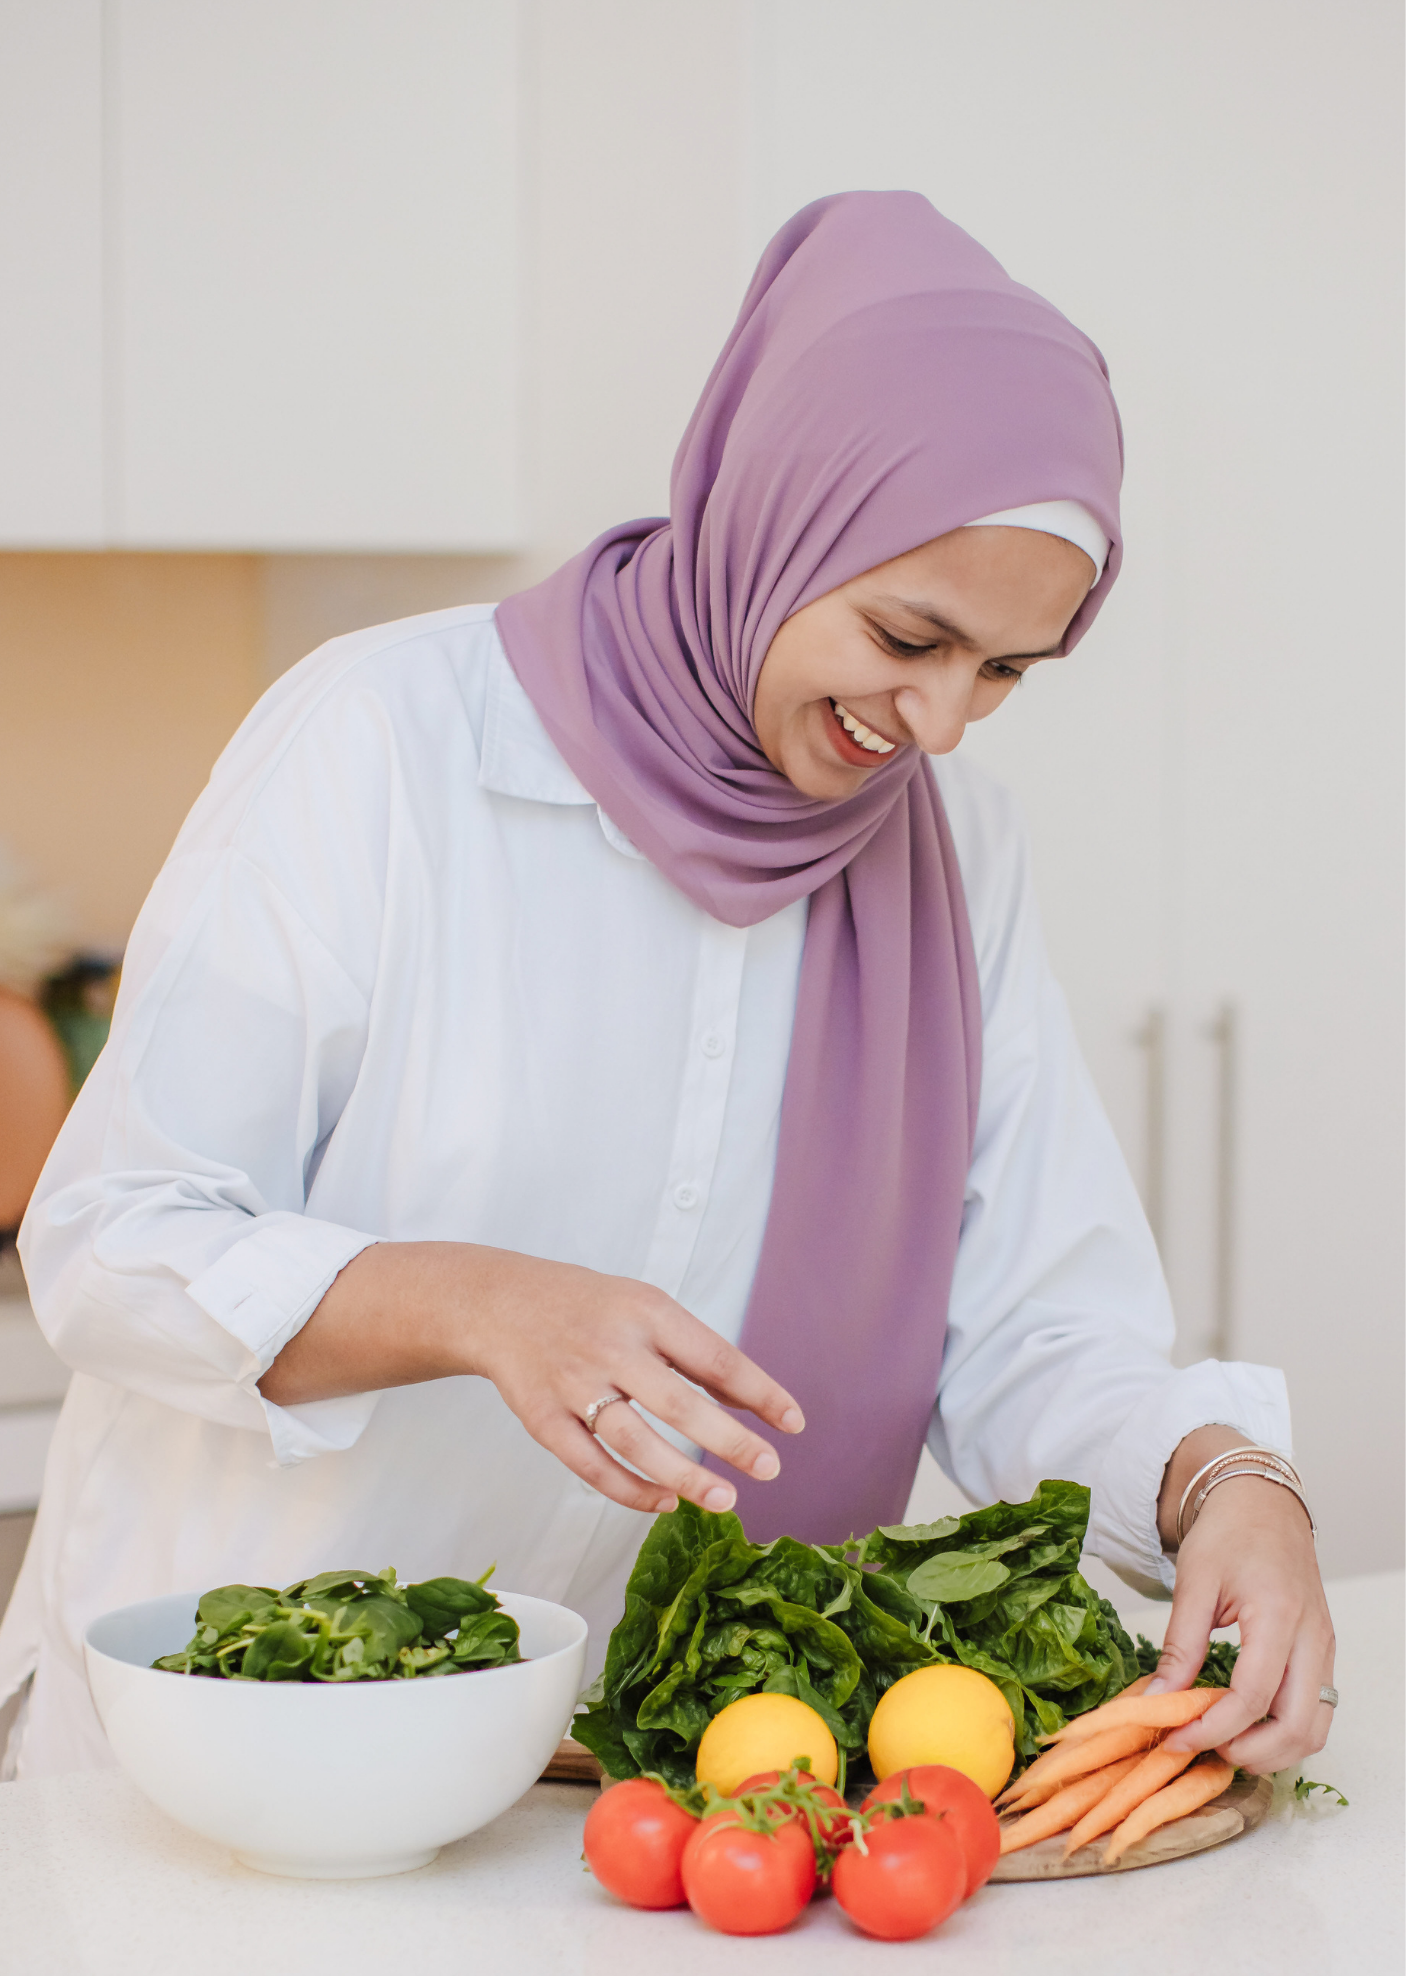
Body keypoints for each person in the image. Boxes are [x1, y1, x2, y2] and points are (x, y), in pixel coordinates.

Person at [0, 193, 1332, 1781]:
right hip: (246, 1749)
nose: (942, 722)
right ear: (779, 509)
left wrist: (1227, 1475)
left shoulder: (950, 852)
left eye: (1001, 671)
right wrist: (477, 1302)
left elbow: (1033, 1331)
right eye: (907, 633)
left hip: (641, 1784)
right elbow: (116, 1245)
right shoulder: (384, 742)